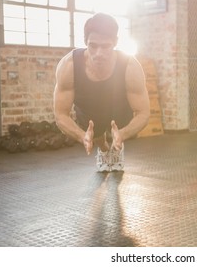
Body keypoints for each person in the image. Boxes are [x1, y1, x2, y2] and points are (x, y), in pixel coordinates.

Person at [54, 13, 150, 172]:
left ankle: (117, 146)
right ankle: (104, 150)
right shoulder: (69, 65)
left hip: (118, 104)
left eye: (105, 46)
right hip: (88, 106)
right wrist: (81, 136)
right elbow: (60, 114)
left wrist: (123, 134)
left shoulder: (130, 66)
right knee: (96, 133)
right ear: (85, 42)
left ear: (115, 43)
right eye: (93, 46)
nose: (98, 53)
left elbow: (143, 112)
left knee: (118, 129)